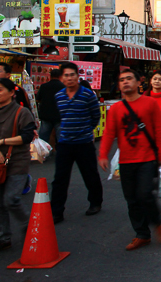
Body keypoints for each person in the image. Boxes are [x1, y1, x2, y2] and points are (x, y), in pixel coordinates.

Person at [98, 69, 161, 251]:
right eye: (122, 80)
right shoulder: (116, 109)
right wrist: (103, 154)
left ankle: (157, 223)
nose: (125, 82)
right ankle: (142, 234)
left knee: (145, 194)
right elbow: (109, 133)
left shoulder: (150, 104)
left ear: (139, 83)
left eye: (129, 79)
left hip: (147, 158)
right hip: (126, 161)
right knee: (131, 200)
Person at [0, 78, 37, 255]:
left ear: (12, 92)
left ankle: (30, 228)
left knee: (11, 199)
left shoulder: (22, 112)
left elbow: (27, 136)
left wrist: (1, 142)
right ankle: (3, 238)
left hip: (17, 162)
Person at [50, 62, 103, 224]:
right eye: (66, 75)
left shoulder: (87, 94)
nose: (69, 78)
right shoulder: (58, 96)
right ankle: (57, 211)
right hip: (65, 142)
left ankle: (95, 202)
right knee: (60, 178)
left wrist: (87, 130)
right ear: (62, 78)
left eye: (72, 75)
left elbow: (96, 116)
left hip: (84, 142)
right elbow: (59, 118)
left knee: (90, 174)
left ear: (77, 76)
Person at [35, 68, 64, 149]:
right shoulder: (64, 87)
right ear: (60, 76)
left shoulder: (44, 86)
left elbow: (38, 99)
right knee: (61, 137)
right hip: (59, 115)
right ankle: (62, 154)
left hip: (46, 115)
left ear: (50, 76)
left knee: (43, 137)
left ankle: (42, 153)